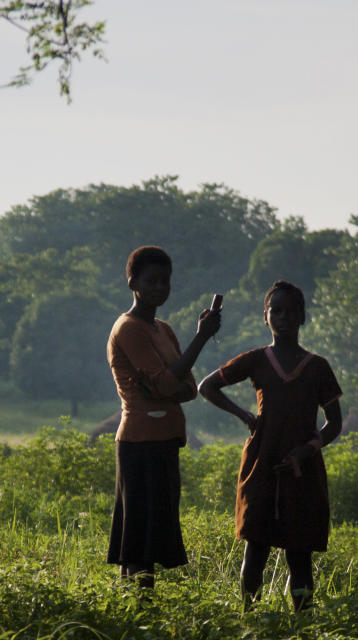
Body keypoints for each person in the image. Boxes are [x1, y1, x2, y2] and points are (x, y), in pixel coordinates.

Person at [198, 280, 342, 612]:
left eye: (290, 311)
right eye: (275, 310)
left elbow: (334, 423)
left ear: (302, 316)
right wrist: (245, 416)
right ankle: (250, 620)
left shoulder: (317, 367)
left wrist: (305, 451)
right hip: (261, 464)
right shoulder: (256, 360)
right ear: (265, 316)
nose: (283, 317)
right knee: (255, 551)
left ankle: (301, 626)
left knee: (300, 556)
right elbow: (208, 387)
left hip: (302, 470)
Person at [106, 245, 221, 587]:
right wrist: (201, 337)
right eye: (151, 280)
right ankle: (139, 613)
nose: (159, 288)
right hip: (140, 443)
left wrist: (165, 387)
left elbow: (187, 388)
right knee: (139, 539)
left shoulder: (164, 329)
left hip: (164, 441)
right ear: (132, 283)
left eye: (165, 281)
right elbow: (170, 382)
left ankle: (140, 612)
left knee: (150, 534)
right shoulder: (128, 328)